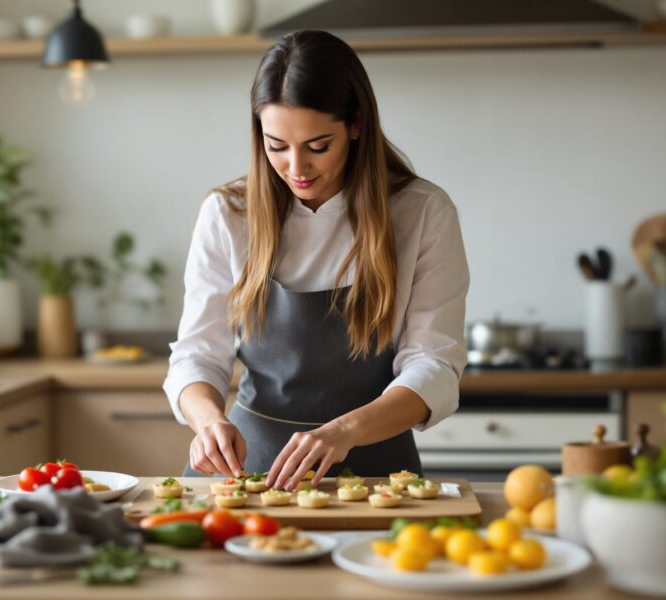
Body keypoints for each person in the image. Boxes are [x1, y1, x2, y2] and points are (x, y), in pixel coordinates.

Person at [163, 30, 469, 492]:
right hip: (248, 470)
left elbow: (435, 364)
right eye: (276, 146)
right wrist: (207, 421)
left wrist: (343, 431)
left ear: (356, 124)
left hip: (377, 474)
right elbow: (198, 354)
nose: (296, 169)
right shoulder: (228, 214)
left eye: (318, 145)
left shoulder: (422, 212)